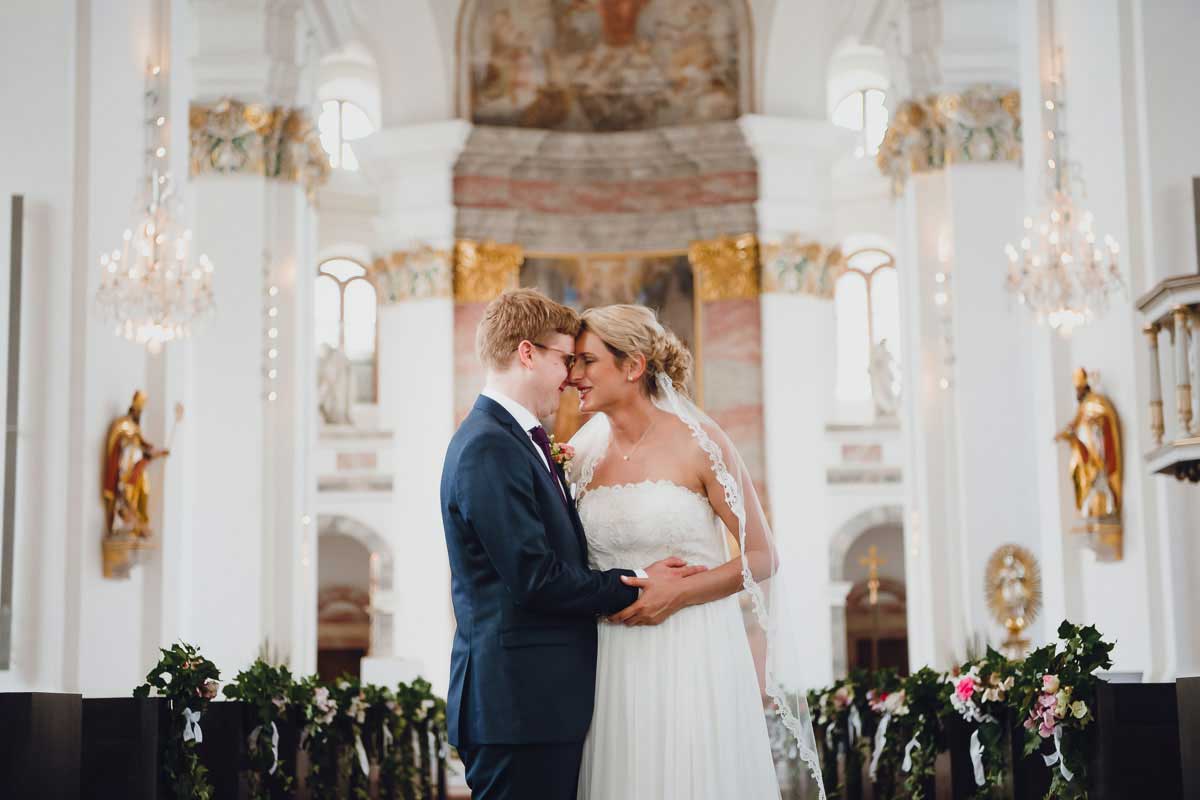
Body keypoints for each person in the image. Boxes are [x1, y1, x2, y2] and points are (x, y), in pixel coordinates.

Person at [439, 289, 705, 800]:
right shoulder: (489, 446)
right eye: (565, 359)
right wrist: (640, 584)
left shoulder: (516, 440)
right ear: (526, 353)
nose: (570, 377)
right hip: (517, 705)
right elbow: (534, 577)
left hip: (537, 703)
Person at [568, 304, 824, 800]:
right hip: (607, 655)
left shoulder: (700, 444)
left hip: (689, 647)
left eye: (586, 361)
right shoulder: (578, 457)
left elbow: (763, 555)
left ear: (633, 365)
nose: (573, 375)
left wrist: (677, 594)